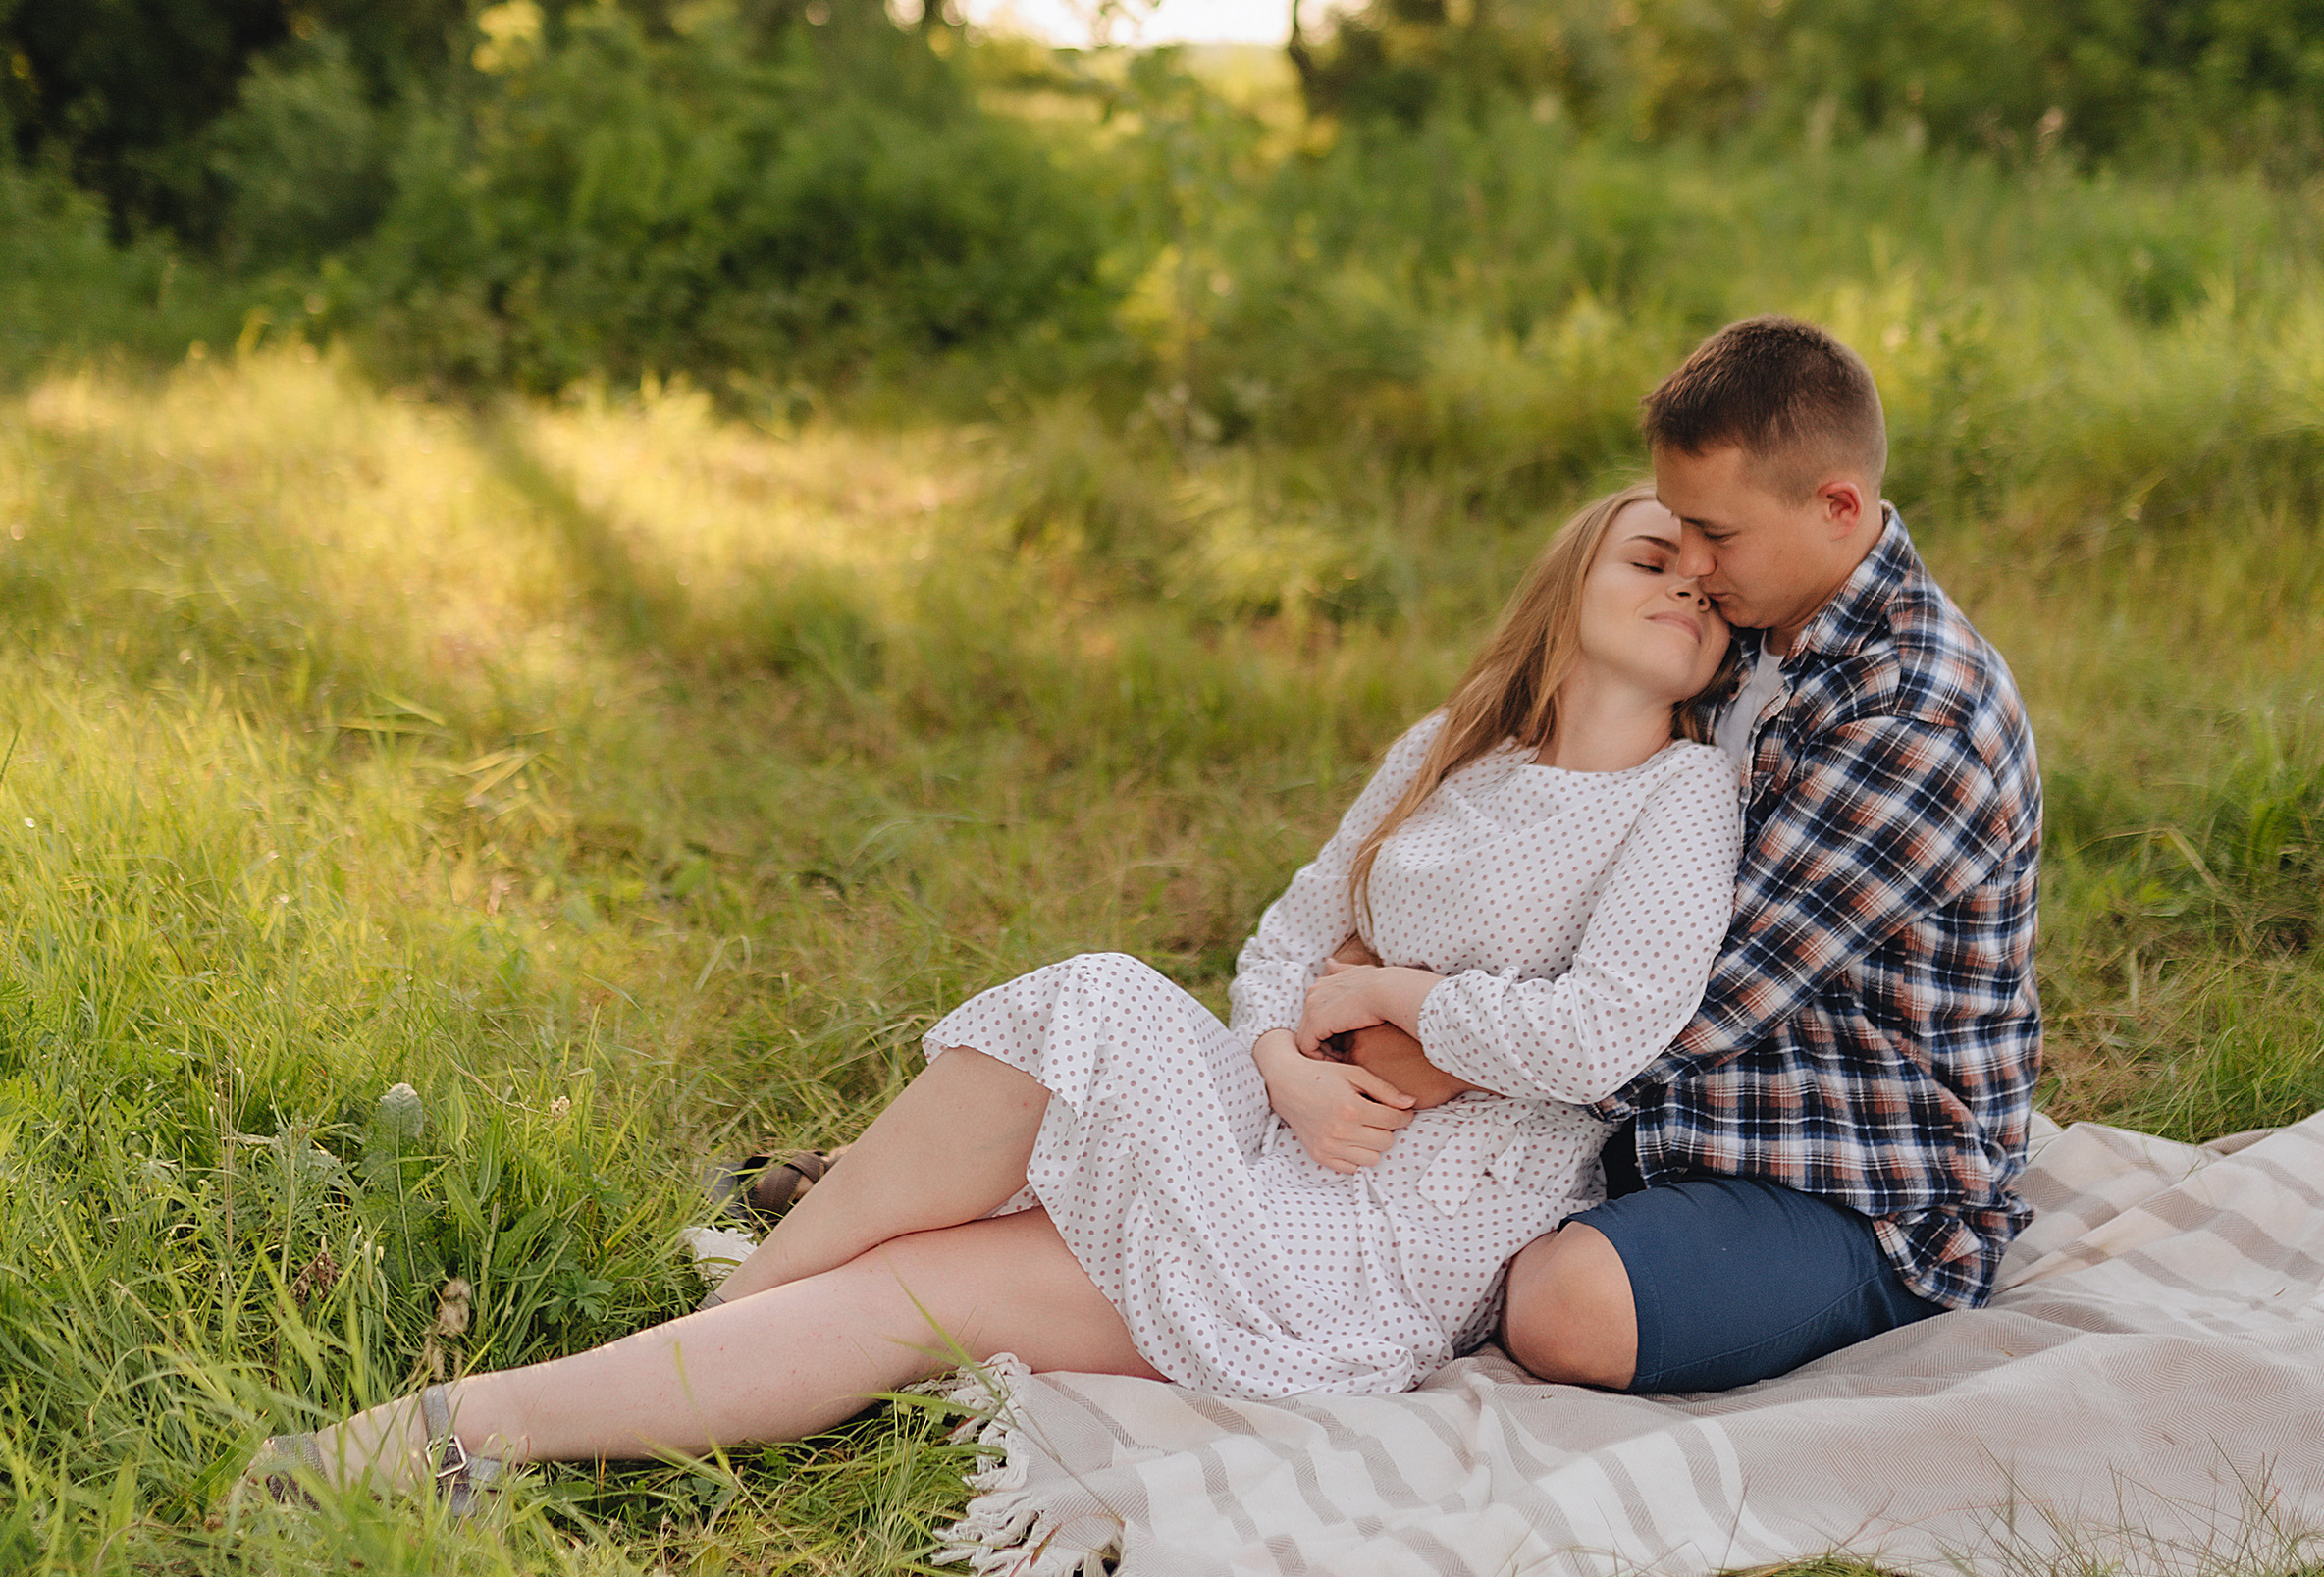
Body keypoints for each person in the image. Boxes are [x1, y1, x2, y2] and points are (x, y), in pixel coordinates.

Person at [243, 489, 1739, 1507]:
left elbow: (1605, 1035)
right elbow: (1290, 932)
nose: (1681, 588)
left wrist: (1405, 988)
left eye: (1704, 586)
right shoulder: (1449, 747)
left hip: (1391, 1233)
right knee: (954, 1220)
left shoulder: (1680, 798)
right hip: (1285, 1131)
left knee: (1028, 1101)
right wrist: (1284, 1057)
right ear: (1569, 585)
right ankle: (539, 1407)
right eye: (1647, 561)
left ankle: (547, 1398)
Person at [1347, 316, 2043, 1401]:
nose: (1694, 569)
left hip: (1851, 1171)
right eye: (1675, 532)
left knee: (1559, 1306)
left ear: (1838, 508)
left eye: (1716, 535)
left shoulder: (1916, 715)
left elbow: (1711, 999)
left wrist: (1440, 1047)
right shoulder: (1743, 630)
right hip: (1647, 1096)